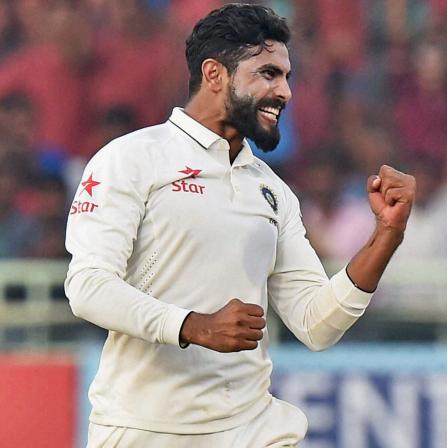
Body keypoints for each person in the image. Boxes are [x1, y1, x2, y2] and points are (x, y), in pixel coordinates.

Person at [64, 5, 415, 447]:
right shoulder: (132, 158)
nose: (285, 91)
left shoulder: (271, 190)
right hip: (145, 429)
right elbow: (88, 287)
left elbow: (315, 323)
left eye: (287, 77)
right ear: (214, 74)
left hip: (252, 429)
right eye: (268, 73)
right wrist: (194, 325)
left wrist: (386, 236)